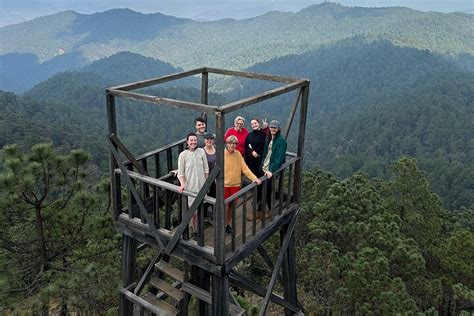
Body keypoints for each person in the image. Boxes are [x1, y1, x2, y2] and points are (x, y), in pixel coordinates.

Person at [224, 135, 261, 234]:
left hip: (235, 184)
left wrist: (254, 178)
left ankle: (228, 224)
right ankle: (222, 224)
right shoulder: (222, 154)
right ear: (227, 143)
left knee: (232, 206)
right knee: (224, 206)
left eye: (234, 143)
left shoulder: (238, 154)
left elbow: (244, 168)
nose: (232, 145)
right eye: (230, 143)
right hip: (224, 185)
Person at [177, 133, 209, 233]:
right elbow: (180, 173)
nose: (193, 142)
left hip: (201, 185)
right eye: (191, 140)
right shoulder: (183, 155)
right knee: (192, 211)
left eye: (195, 140)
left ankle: (199, 228)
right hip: (190, 186)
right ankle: (194, 229)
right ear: (187, 142)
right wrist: (182, 184)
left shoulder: (201, 152)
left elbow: (206, 169)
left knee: (200, 209)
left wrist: (206, 184)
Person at [260, 120, 287, 219]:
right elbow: (265, 152)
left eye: (275, 127)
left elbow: (279, 158)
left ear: (278, 129)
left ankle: (270, 209)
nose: (273, 129)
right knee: (263, 189)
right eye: (271, 127)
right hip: (264, 167)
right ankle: (262, 209)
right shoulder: (269, 138)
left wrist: (271, 170)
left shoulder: (281, 141)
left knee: (268, 190)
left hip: (271, 169)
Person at [203, 132, 216, 219]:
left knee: (215, 196)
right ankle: (204, 214)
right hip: (206, 178)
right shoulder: (202, 151)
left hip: (216, 178)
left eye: (211, 139)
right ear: (205, 140)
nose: (209, 140)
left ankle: (213, 214)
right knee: (206, 197)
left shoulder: (216, 149)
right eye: (207, 139)